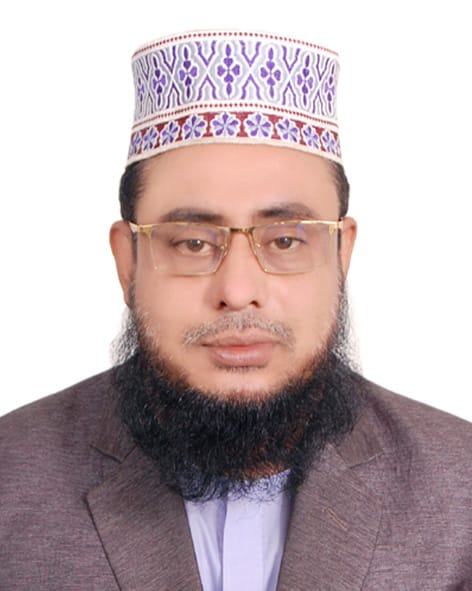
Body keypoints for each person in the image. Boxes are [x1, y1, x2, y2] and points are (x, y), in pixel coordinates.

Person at [1, 29, 471, 591]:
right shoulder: (11, 478)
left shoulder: (461, 491)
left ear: (341, 255)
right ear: (128, 262)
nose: (239, 289)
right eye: (193, 243)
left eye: (286, 240)